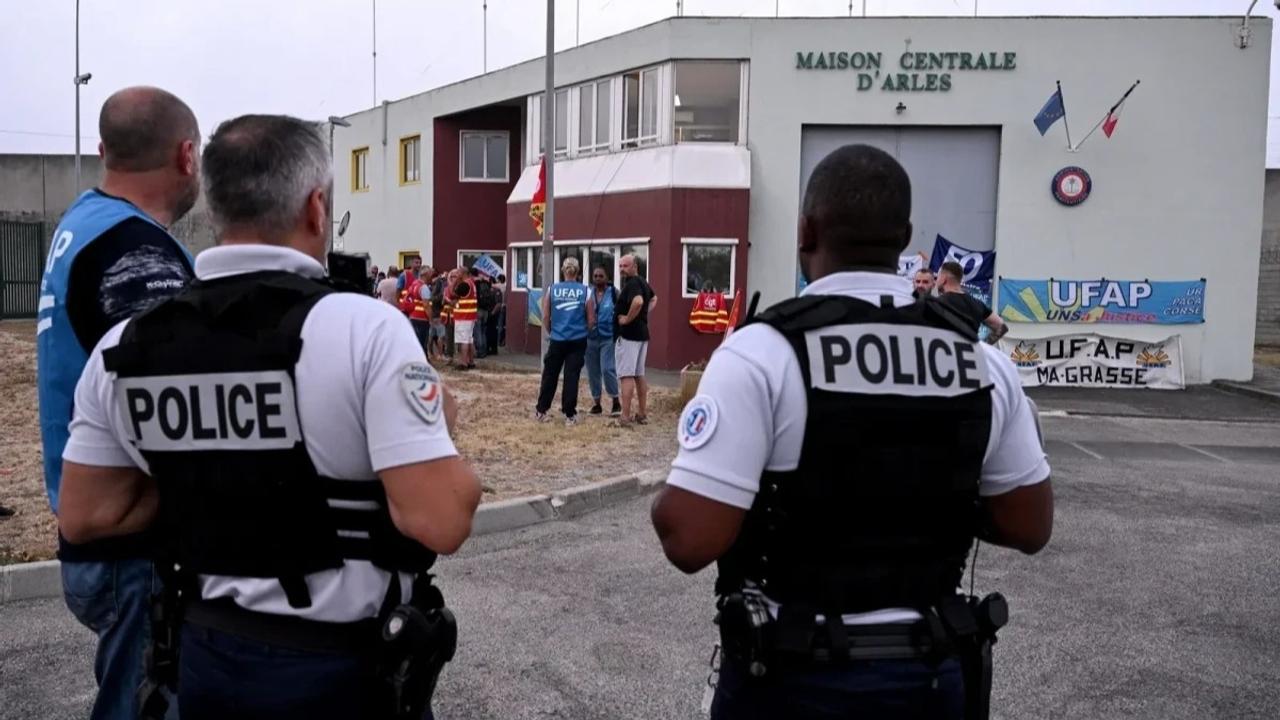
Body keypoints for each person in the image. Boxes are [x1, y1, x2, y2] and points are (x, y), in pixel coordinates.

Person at [56, 114, 482, 720]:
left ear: (214, 204)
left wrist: (211, 478)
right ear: (316, 208)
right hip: (342, 670)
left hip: (203, 657)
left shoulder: (125, 347)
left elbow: (85, 513)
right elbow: (441, 520)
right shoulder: (366, 329)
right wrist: (446, 433)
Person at [649, 144, 1053, 720]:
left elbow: (688, 539)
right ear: (904, 236)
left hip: (792, 677)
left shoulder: (764, 352)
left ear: (805, 231)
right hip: (931, 677)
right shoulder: (982, 362)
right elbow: (1030, 524)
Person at [35, 86, 201, 720]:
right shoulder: (137, 253)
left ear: (103, 151)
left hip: (96, 527)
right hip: (135, 548)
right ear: (187, 156)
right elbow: (176, 407)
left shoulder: (83, 223)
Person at [535, 257, 593, 425]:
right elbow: (591, 319)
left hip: (557, 339)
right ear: (578, 272)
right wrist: (585, 331)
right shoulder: (585, 291)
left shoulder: (552, 289)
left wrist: (552, 331)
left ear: (563, 270)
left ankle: (541, 410)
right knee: (571, 376)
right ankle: (569, 415)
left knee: (550, 375)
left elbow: (545, 315)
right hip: (577, 340)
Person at [614, 254, 656, 427]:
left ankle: (625, 416)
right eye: (620, 266)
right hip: (642, 334)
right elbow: (653, 298)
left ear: (635, 266)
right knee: (639, 374)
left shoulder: (632, 283)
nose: (622, 269)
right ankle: (642, 414)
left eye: (625, 266)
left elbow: (638, 301)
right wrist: (643, 315)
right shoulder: (642, 282)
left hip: (629, 335)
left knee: (626, 375)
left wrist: (627, 319)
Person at [937, 260, 1008, 344]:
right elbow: (1002, 327)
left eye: (937, 277)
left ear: (943, 279)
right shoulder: (977, 304)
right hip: (970, 354)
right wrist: (984, 345)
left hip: (946, 353)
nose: (936, 280)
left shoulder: (937, 303)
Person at [584, 266, 621, 417]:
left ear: (607, 278)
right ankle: (597, 403)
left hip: (608, 337)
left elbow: (621, 310)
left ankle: (615, 401)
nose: (598, 278)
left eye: (601, 275)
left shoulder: (614, 293)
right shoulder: (588, 293)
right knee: (593, 372)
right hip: (590, 338)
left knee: (607, 369)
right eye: (595, 276)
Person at [449, 268, 478, 369]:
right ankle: (471, 361)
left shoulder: (464, 284)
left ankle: (463, 363)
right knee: (469, 339)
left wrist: (453, 280)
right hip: (470, 315)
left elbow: (451, 293)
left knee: (463, 340)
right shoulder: (471, 283)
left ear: (463, 273)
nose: (457, 274)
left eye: (458, 272)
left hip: (463, 316)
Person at [473, 270, 494, 359]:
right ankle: (484, 350)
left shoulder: (475, 283)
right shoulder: (486, 282)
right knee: (483, 331)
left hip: (478, 309)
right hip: (486, 310)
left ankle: (480, 351)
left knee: (478, 331)